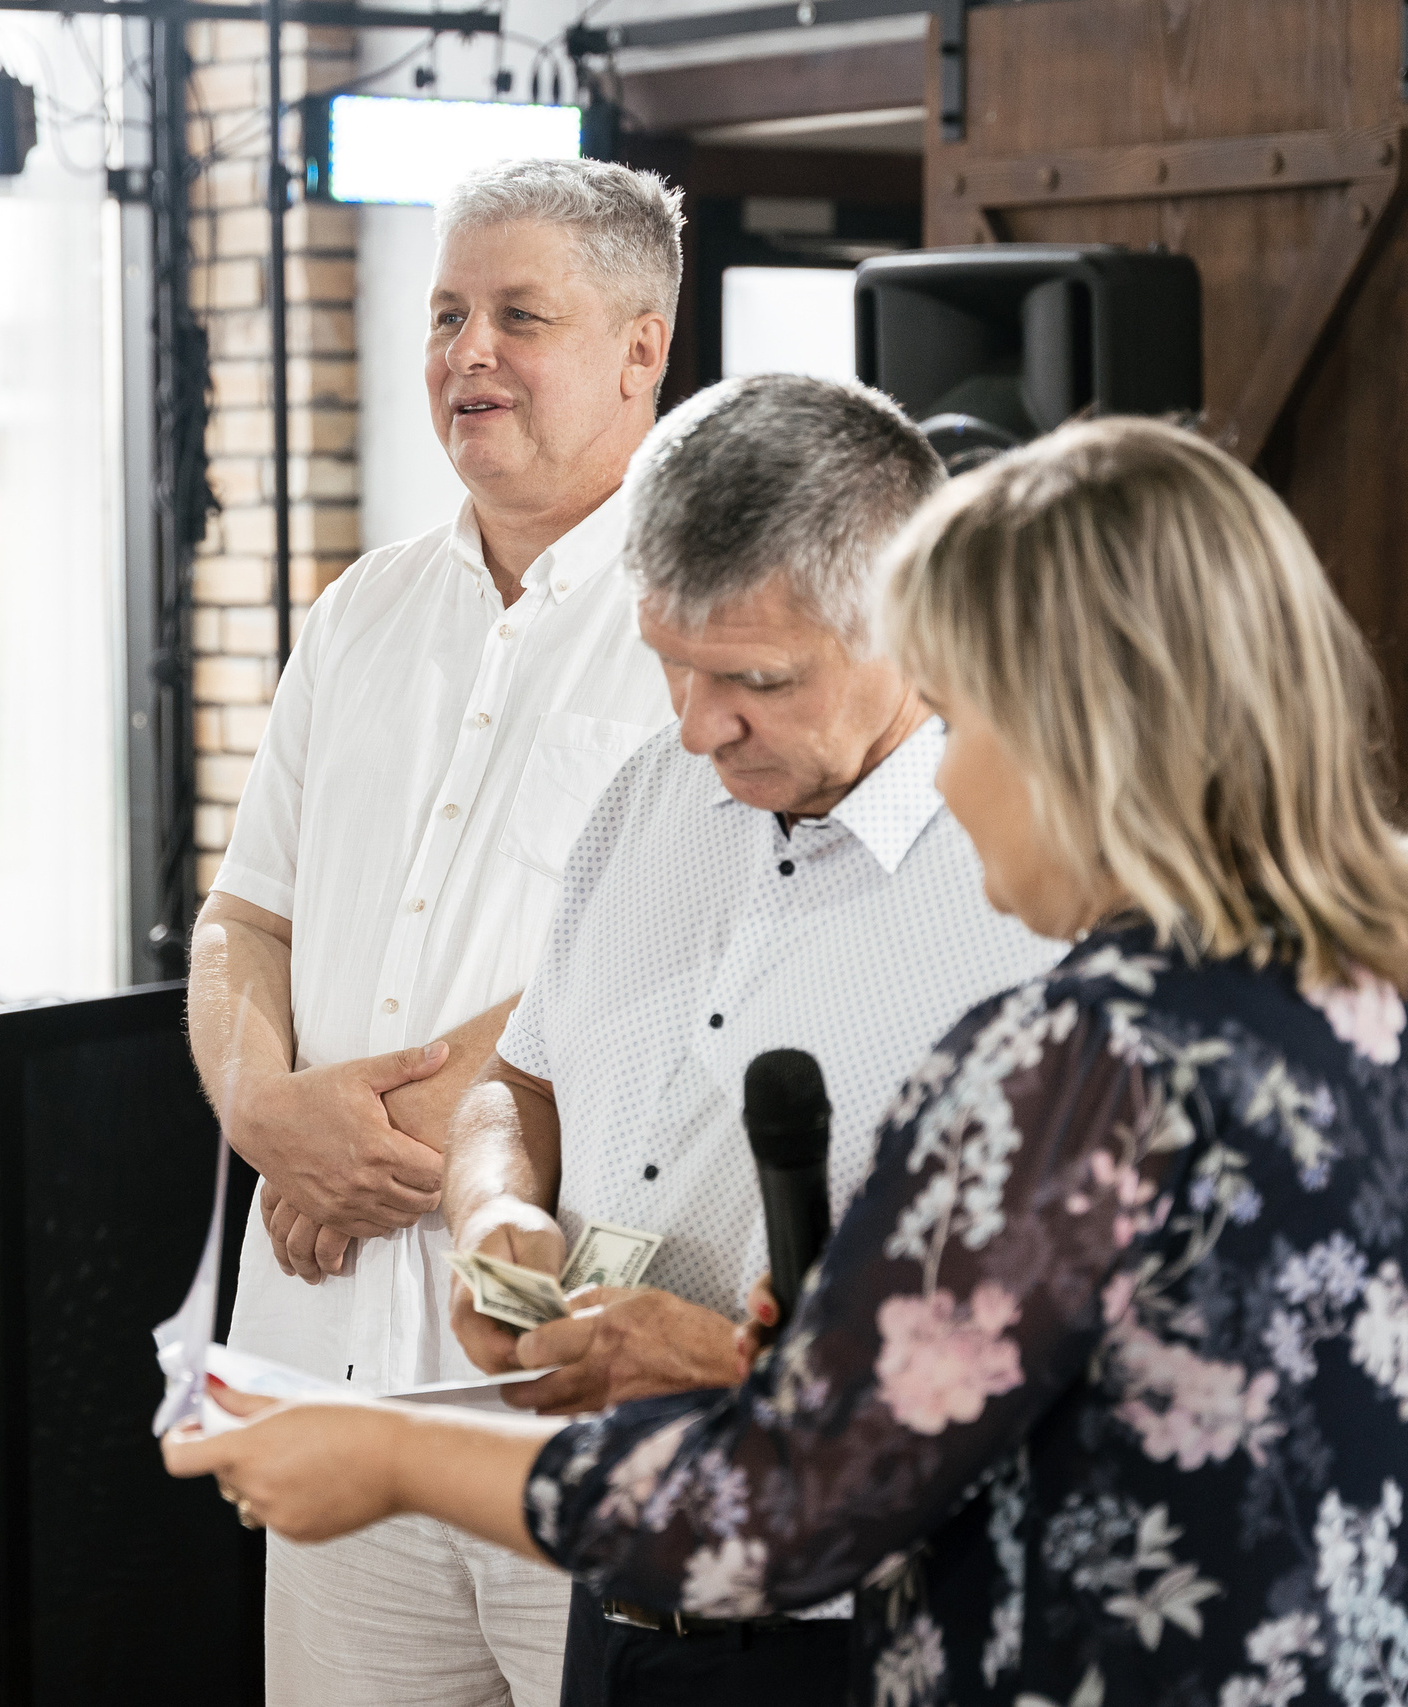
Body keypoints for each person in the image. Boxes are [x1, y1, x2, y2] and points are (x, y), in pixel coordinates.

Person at [167, 417, 1408, 1707]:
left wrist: (386, 1455)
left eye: (977, 714)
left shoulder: (1085, 1061)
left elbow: (788, 1508)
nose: (952, 775)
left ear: (1096, 729)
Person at [441, 374, 1062, 1705]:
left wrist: (720, 1365)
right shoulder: (646, 793)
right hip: (613, 1599)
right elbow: (518, 1083)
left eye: (755, 682)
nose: (695, 726)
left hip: (863, 1634)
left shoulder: (1041, 899)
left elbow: (1059, 1385)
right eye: (671, 663)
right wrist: (496, 1218)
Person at [187, 157, 680, 1705]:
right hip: (325, 1357)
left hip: (562, 1375)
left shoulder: (706, 610)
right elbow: (241, 917)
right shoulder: (361, 611)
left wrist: (369, 1144)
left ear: (640, 349)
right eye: (448, 314)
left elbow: (667, 931)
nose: (468, 355)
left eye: (519, 316)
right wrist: (265, 1114)